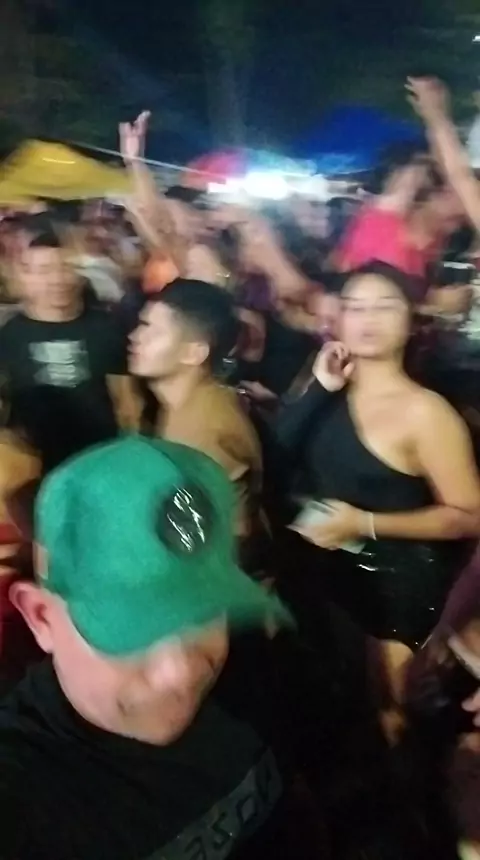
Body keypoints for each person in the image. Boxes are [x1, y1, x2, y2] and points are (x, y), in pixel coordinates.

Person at [0, 435, 313, 859]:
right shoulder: (21, 791)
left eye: (202, 610)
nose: (181, 673)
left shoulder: (252, 657)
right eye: (131, 630)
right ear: (41, 618)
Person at [274, 262, 480, 656]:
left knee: (382, 693)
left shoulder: (426, 412)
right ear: (338, 319)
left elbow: (470, 516)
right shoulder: (324, 383)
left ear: (411, 322)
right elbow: (273, 457)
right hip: (316, 578)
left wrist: (364, 523)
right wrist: (320, 388)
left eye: (385, 306)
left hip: (390, 595)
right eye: (355, 307)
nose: (369, 319)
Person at [129, 278, 270, 581]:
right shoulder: (184, 405)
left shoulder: (204, 428)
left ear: (194, 353)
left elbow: (226, 536)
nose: (136, 337)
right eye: (141, 325)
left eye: (153, 331)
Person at [0, 232, 137, 472]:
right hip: (32, 468)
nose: (57, 279)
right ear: (24, 277)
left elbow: (127, 402)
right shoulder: (7, 335)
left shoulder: (107, 327)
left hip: (101, 460)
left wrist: (130, 451)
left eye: (66, 267)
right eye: (44, 271)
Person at [334, 144, 465, 311]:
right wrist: (433, 302)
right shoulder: (380, 230)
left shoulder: (429, 240)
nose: (456, 223)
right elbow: (370, 303)